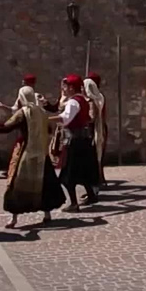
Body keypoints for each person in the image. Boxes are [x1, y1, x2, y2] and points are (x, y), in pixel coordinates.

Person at [0, 86, 66, 228]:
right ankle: (47, 213)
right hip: (41, 153)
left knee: (17, 183)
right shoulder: (41, 112)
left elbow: (6, 127)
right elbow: (49, 130)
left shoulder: (23, 113)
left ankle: (14, 218)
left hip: (26, 151)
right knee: (44, 182)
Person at [50, 74, 100, 211]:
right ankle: (91, 195)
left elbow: (65, 118)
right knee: (82, 171)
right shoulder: (82, 100)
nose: (63, 89)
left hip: (74, 142)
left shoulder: (73, 102)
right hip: (83, 141)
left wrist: (46, 119)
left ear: (71, 87)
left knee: (68, 174)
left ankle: (73, 203)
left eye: (65, 87)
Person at [84, 77, 107, 196]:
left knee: (93, 160)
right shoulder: (99, 98)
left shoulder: (92, 101)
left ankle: (94, 189)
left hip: (93, 133)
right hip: (98, 130)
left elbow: (91, 118)